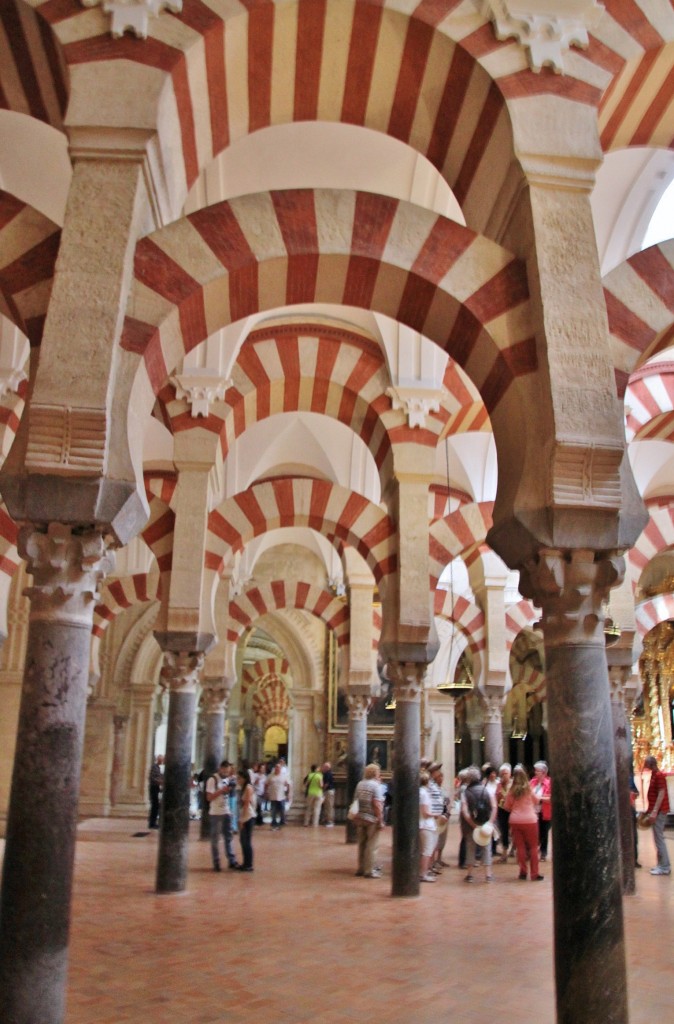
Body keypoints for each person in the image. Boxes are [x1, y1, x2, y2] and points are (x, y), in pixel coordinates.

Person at [504, 765, 544, 881]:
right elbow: (536, 801)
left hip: (515, 820)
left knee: (520, 847)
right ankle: (534, 873)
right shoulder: (529, 789)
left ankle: (523, 872)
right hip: (530, 820)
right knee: (533, 847)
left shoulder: (512, 791)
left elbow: (506, 806)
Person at [460, 766, 496, 882]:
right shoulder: (487, 790)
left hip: (472, 824)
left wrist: (472, 824)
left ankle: (470, 874)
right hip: (485, 822)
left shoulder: (465, 792)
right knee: (487, 847)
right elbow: (494, 807)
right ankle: (488, 875)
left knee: (470, 847)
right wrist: (490, 822)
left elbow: (465, 811)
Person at [205, 761, 239, 871]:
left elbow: (227, 795)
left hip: (226, 811)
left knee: (229, 837)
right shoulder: (212, 779)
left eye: (228, 771)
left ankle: (232, 860)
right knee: (215, 839)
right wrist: (221, 791)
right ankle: (216, 863)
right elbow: (209, 797)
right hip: (216, 813)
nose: (226, 773)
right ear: (220, 768)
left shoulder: (227, 779)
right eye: (225, 771)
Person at [353, 763, 384, 879]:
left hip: (360, 816)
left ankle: (361, 868)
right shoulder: (376, 786)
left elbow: (356, 800)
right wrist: (380, 819)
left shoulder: (360, 784)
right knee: (372, 845)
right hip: (371, 818)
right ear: (375, 773)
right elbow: (377, 804)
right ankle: (369, 870)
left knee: (362, 844)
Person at [643, 755, 671, 876]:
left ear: (651, 764)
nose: (645, 766)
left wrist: (654, 811)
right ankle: (661, 864)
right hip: (657, 810)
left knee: (659, 838)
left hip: (659, 811)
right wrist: (649, 810)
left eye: (646, 764)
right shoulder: (655, 775)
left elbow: (661, 793)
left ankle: (665, 866)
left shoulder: (659, 776)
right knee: (657, 837)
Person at [428, 763, 449, 873]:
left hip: (439, 817)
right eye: (438, 772)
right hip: (433, 818)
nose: (440, 774)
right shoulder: (429, 785)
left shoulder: (435, 786)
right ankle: (429, 866)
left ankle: (432, 865)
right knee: (430, 844)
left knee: (436, 842)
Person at [419, 771, 438, 883]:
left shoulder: (419, 792)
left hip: (421, 824)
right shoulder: (424, 793)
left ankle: (422, 872)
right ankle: (423, 874)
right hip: (426, 825)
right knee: (427, 851)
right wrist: (435, 814)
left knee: (423, 850)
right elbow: (425, 812)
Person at [531, 761, 552, 860]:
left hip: (545, 811)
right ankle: (534, 851)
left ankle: (543, 853)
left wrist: (540, 798)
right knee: (534, 832)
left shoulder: (549, 783)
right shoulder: (532, 782)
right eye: (535, 771)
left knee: (544, 832)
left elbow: (551, 798)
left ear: (544, 772)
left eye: (537, 771)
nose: (535, 772)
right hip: (533, 811)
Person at [237, 767, 256, 871]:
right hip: (246, 815)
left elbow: (246, 804)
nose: (238, 780)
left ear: (244, 778)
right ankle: (245, 863)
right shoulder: (244, 788)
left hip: (248, 816)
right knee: (243, 840)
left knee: (246, 841)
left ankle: (248, 864)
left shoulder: (248, 788)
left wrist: (242, 819)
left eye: (239, 778)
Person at [495, 763, 513, 862]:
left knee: (514, 830)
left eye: (506, 773)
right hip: (502, 809)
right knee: (504, 830)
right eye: (502, 774)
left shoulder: (513, 784)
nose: (504, 776)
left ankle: (514, 848)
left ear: (510, 774)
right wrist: (499, 796)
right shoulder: (499, 785)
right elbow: (496, 798)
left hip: (512, 809)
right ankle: (505, 851)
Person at [266, 762, 289, 830]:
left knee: (282, 810)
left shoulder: (284, 776)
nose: (277, 769)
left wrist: (287, 793)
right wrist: (266, 792)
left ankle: (282, 821)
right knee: (273, 810)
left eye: (278, 768)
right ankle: (274, 822)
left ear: (280, 769)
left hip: (281, 796)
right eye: (276, 767)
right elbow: (266, 784)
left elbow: (287, 784)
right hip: (273, 796)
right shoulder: (270, 776)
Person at [147, 754, 164, 829]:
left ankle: (153, 822)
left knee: (156, 806)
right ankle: (152, 823)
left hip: (156, 788)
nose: (162, 761)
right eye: (162, 760)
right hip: (153, 788)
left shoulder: (158, 767)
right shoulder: (154, 767)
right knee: (155, 806)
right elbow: (153, 778)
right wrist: (161, 782)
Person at [321, 762, 335, 826]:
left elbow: (326, 783)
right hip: (328, 791)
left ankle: (330, 821)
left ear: (327, 768)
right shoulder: (326, 773)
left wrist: (322, 790)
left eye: (324, 767)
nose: (323, 768)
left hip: (329, 791)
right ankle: (327, 820)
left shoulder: (328, 774)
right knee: (327, 806)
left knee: (329, 806)